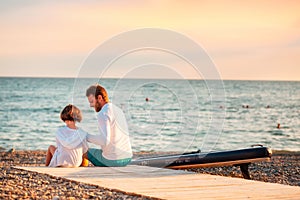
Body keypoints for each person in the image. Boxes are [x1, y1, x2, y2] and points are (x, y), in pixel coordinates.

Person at [84, 84, 132, 167]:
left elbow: (104, 141)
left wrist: (85, 136)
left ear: (99, 98)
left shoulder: (103, 113)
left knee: (82, 151)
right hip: (127, 157)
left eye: (92, 102)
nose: (91, 105)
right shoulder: (118, 110)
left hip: (112, 161)